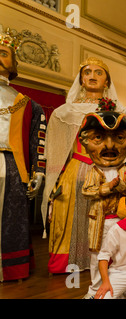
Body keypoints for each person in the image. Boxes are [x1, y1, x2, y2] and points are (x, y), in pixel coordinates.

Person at [43, 57, 126, 275]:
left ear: (107, 81)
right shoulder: (65, 111)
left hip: (109, 169)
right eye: (87, 71)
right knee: (70, 216)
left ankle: (105, 259)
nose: (92, 76)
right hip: (77, 167)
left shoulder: (120, 111)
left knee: (104, 214)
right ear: (81, 79)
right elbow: (57, 150)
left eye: (99, 72)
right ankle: (69, 261)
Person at [0, 29, 46, 281]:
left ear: (14, 63)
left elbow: (38, 142)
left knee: (13, 219)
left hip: (13, 165)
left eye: (5, 53)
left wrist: (38, 172)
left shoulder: (28, 103)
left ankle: (11, 267)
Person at [80, 109, 126, 298]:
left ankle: (121, 287)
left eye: (119, 138)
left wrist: (118, 185)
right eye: (98, 138)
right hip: (99, 223)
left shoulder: (123, 170)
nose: (109, 145)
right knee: (98, 255)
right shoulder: (93, 171)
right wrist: (105, 188)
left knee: (122, 254)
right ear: (85, 143)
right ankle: (97, 288)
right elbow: (86, 191)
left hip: (122, 221)